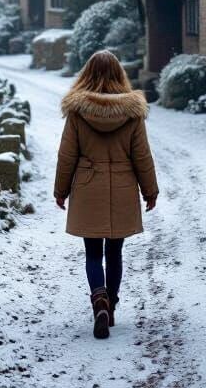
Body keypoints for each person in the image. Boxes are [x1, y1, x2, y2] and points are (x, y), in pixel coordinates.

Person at [53, 50, 158, 339]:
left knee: (92, 253)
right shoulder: (133, 113)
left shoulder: (77, 112)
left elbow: (67, 156)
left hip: (88, 187)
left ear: (87, 74)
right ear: (119, 75)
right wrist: (150, 191)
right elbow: (142, 157)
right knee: (115, 252)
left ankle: (98, 299)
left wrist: (61, 190)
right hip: (123, 187)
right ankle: (110, 303)